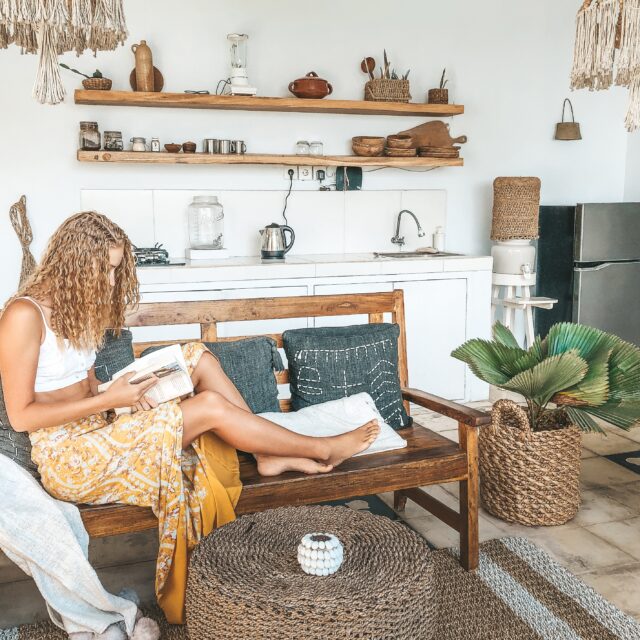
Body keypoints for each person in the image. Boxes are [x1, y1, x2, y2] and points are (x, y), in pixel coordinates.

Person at [0, 211, 379, 624]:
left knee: (195, 357)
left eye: (114, 271)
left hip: (102, 428)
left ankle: (268, 453)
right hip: (68, 456)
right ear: (74, 262)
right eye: (104, 270)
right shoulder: (24, 315)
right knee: (208, 408)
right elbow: (22, 417)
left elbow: (89, 391)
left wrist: (121, 395)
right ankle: (319, 448)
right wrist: (108, 401)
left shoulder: (79, 311)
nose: (110, 282)